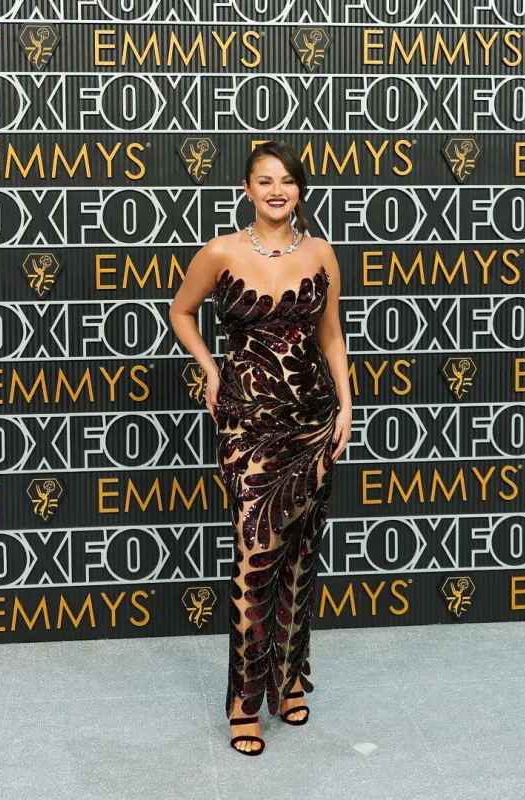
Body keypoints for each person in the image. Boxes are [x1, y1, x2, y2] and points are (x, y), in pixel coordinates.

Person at [169, 140, 353, 756]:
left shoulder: (322, 253)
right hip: (247, 421)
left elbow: (331, 334)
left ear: (300, 190)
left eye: (288, 181)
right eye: (265, 180)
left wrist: (348, 406)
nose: (278, 190)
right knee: (256, 557)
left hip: (312, 419)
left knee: (300, 556)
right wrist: (210, 370)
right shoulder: (221, 252)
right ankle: (244, 704)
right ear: (248, 189)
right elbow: (182, 312)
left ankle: (289, 680)